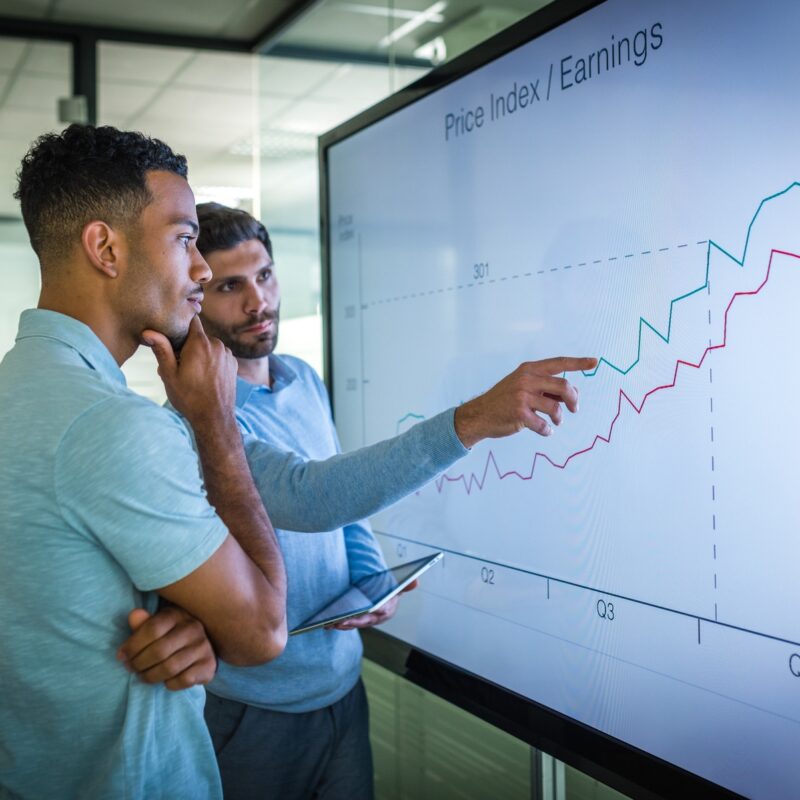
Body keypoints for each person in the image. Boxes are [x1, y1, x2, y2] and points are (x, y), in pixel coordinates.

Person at [188, 202, 598, 800]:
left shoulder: (301, 377)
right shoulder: (205, 418)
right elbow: (314, 496)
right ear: (197, 297)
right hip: (255, 712)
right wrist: (474, 419)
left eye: (265, 275)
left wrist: (371, 577)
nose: (258, 301)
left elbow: (341, 501)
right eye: (231, 286)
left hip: (342, 688)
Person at [0, 125, 289, 799]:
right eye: (185, 238)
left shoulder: (17, 389)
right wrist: (216, 424)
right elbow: (265, 630)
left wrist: (195, 620)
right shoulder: (110, 423)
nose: (202, 270)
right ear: (105, 247)